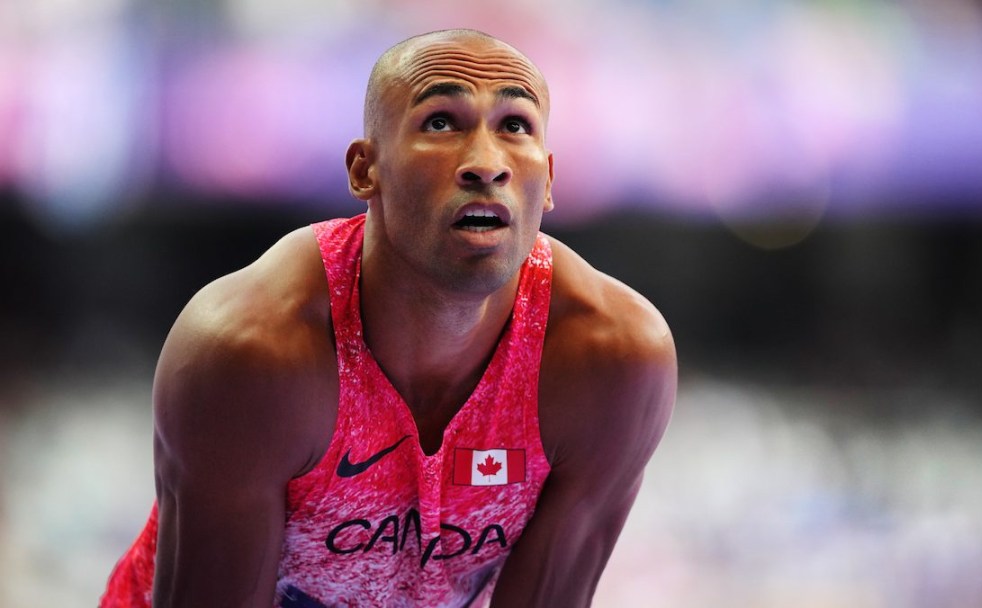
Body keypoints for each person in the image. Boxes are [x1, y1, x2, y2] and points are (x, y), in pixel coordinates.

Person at [100, 28, 677, 608]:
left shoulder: (613, 357)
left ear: (547, 182)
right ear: (363, 171)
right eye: (441, 122)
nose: (486, 164)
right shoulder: (252, 349)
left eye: (515, 125)